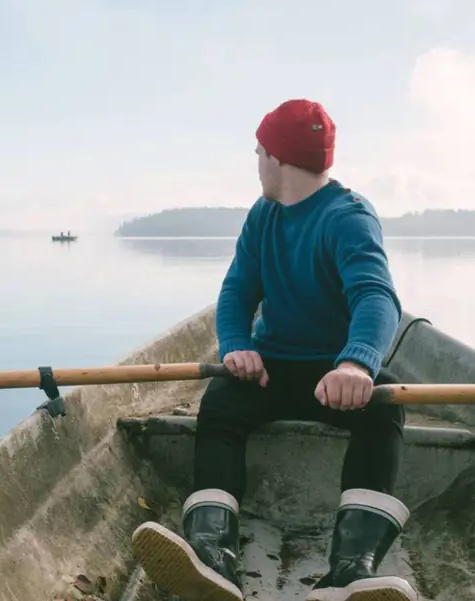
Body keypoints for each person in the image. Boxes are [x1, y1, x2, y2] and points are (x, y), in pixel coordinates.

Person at [130, 99, 417, 601]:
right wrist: (237, 347)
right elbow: (237, 292)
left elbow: (377, 296)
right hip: (272, 369)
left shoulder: (348, 217)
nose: (257, 162)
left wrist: (357, 363)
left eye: (259, 152)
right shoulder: (263, 216)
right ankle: (212, 553)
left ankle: (351, 569)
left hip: (335, 377)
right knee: (222, 399)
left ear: (277, 158)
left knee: (384, 402)